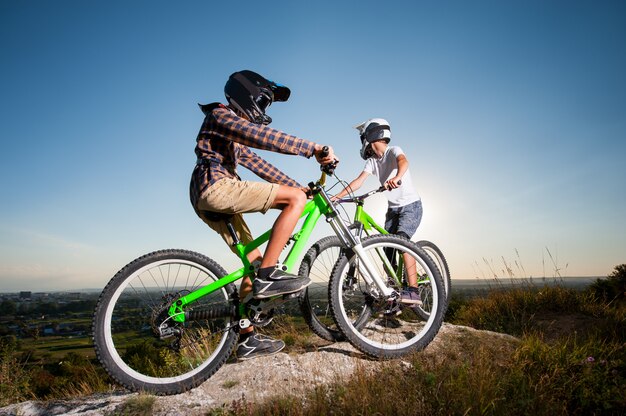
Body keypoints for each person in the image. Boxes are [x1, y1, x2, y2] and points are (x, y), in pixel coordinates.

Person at [189, 70, 338, 360]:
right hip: (216, 186)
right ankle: (270, 276)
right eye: (265, 101)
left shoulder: (232, 136)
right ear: (249, 96)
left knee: (252, 264)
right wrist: (313, 149)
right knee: (267, 263)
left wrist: (300, 190)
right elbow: (260, 137)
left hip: (207, 196)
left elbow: (260, 165)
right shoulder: (221, 115)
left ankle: (247, 338)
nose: (265, 109)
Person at [332, 118, 423, 304]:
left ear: (372, 134)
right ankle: (394, 293)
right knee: (388, 250)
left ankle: (413, 290)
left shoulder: (393, 150)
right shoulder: (373, 162)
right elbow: (358, 181)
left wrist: (397, 177)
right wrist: (338, 196)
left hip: (411, 206)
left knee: (402, 242)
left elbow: (403, 162)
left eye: (363, 137)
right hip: (393, 210)